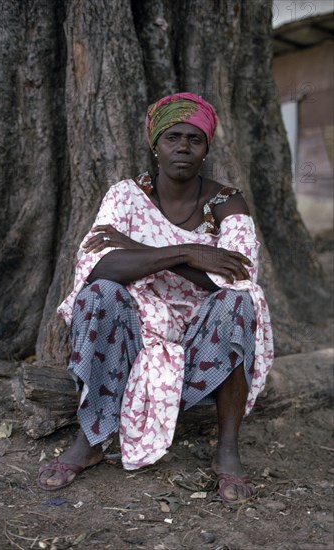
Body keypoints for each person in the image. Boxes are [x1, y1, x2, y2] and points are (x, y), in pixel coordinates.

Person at [38, 92, 273, 503]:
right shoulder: (126, 196)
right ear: (155, 144)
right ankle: (91, 438)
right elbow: (100, 266)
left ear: (206, 148)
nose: (183, 146)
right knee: (100, 295)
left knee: (239, 305)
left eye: (194, 139)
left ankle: (227, 449)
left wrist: (136, 250)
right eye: (172, 137)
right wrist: (188, 252)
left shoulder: (227, 202)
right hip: (135, 326)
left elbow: (235, 279)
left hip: (204, 333)